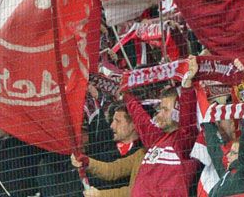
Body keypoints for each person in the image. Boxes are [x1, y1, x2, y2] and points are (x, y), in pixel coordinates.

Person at [77, 57, 199, 197]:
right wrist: (126, 92)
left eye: (165, 109)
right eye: (160, 109)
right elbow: (140, 118)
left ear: (179, 111)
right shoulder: (156, 140)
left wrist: (187, 86)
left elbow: (188, 121)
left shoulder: (184, 143)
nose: (159, 114)